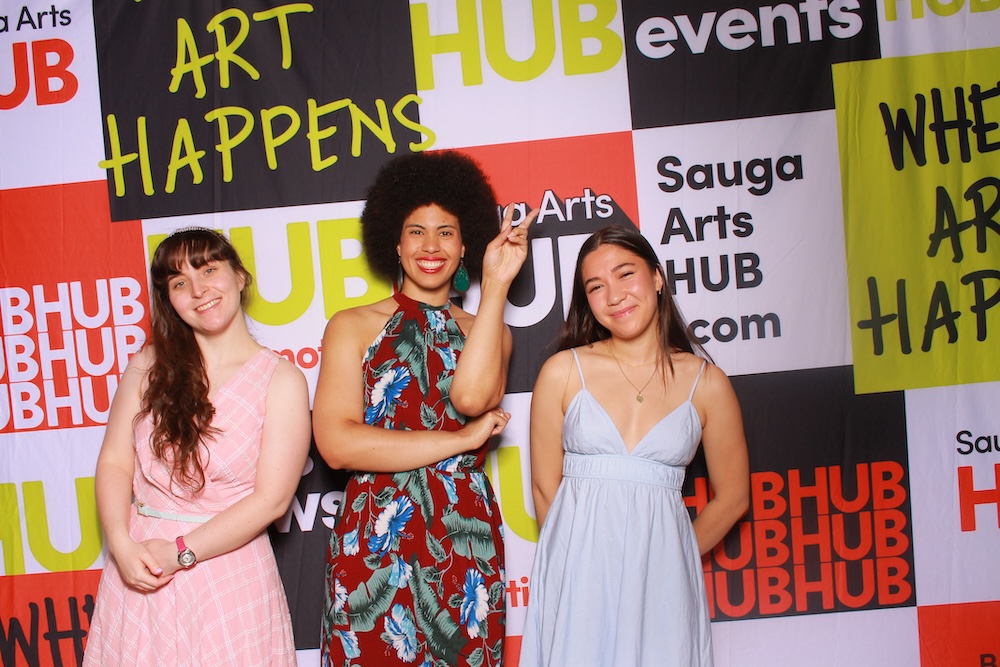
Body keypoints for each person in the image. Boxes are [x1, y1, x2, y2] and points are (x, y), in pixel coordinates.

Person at [313, 151, 536, 666]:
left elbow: (471, 399)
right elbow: (338, 444)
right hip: (375, 534)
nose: (431, 246)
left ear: (466, 247)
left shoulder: (490, 332)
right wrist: (459, 441)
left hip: (463, 533)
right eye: (416, 231)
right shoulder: (352, 326)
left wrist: (498, 281)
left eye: (446, 232)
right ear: (394, 240)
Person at [519, 224, 750, 667]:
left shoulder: (707, 383)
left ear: (657, 277)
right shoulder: (563, 371)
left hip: (663, 585)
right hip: (577, 580)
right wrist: (580, 562)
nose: (614, 294)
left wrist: (666, 557)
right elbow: (546, 491)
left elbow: (734, 497)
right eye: (596, 286)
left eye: (626, 274)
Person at [84, 228, 311, 666]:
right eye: (179, 282)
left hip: (227, 570)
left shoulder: (280, 380)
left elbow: (272, 500)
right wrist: (119, 541)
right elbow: (114, 459)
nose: (199, 290)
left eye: (209, 270)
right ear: (168, 298)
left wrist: (181, 552)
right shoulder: (148, 366)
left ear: (240, 276)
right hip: (140, 566)